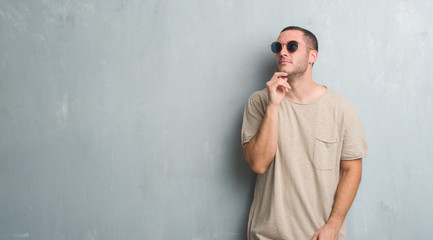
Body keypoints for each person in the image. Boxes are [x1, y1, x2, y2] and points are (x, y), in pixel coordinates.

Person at [241, 26, 368, 240]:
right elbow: (258, 164)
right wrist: (273, 106)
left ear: (312, 56)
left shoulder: (341, 109)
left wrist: (333, 225)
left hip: (319, 236)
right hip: (267, 235)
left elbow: (351, 170)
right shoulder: (259, 102)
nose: (282, 52)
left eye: (292, 47)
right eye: (277, 47)